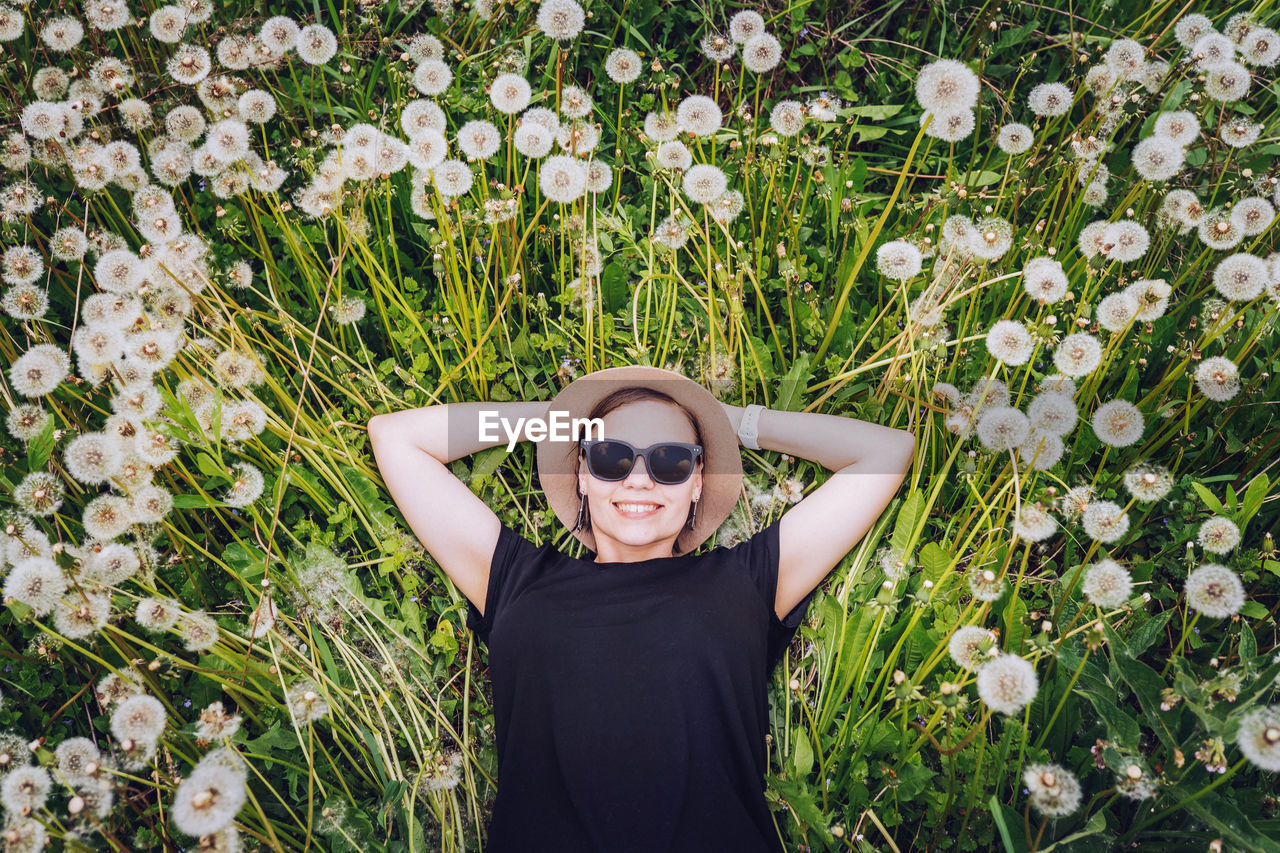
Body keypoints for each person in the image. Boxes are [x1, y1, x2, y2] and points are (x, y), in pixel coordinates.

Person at [367, 365, 915, 852]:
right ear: (581, 473)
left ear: (698, 484)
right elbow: (396, 438)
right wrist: (555, 420)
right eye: (610, 456)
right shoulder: (514, 578)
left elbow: (887, 452)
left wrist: (731, 423)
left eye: (672, 462)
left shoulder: (746, 580)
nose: (638, 478)